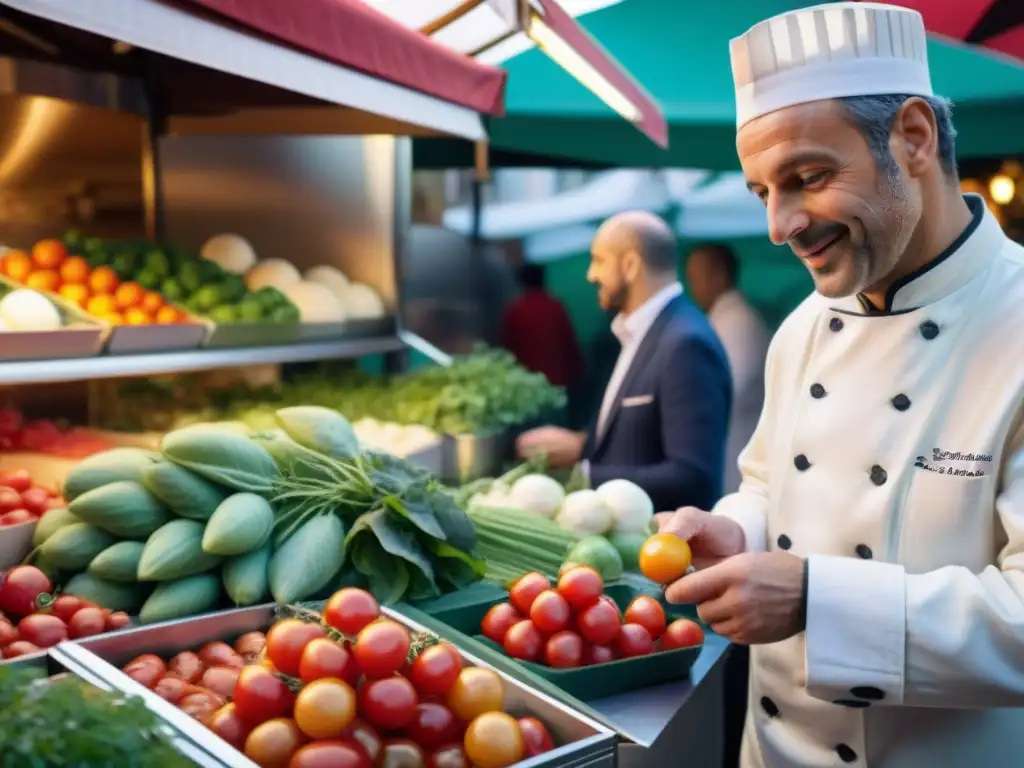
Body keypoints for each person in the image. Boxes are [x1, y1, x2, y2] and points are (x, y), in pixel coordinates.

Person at [658, 4, 1024, 767]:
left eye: (808, 178)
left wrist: (815, 599)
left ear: (914, 138)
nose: (779, 224)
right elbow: (766, 483)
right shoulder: (803, 325)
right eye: (762, 190)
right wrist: (740, 533)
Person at [516, 210, 732, 513]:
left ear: (630, 265)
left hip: (660, 549)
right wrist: (581, 442)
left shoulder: (685, 343)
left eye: (599, 260)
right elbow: (643, 435)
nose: (590, 275)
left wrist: (583, 469)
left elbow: (692, 477)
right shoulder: (642, 330)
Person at [686, 244, 771, 493]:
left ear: (719, 275)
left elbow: (726, 390)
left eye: (694, 278)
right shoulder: (723, 318)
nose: (691, 287)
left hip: (737, 446)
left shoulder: (738, 322)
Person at [498, 263, 584, 389]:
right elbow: (569, 340)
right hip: (560, 377)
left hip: (528, 382)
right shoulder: (554, 306)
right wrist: (579, 370)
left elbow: (508, 348)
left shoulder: (514, 311)